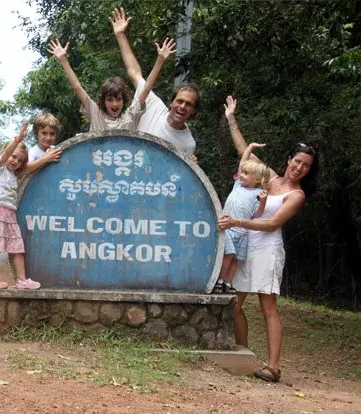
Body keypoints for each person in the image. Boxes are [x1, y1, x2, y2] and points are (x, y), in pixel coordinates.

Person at [217, 96, 319, 383]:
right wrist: (231, 119)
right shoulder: (269, 179)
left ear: (309, 170)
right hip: (246, 247)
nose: (300, 168)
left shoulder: (296, 195)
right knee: (234, 304)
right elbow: (245, 154)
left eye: (306, 166)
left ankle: (274, 367)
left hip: (267, 250)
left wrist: (236, 222)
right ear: (289, 160)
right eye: (297, 161)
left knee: (267, 307)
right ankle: (244, 354)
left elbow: (272, 223)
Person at [110, 7, 199, 160]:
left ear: (194, 111)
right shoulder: (153, 106)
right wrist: (120, 35)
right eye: (180, 101)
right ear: (171, 102)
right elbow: (134, 73)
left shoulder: (188, 144)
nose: (182, 106)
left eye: (189, 104)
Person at [48, 37, 170, 132]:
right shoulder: (96, 114)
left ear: (123, 100)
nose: (114, 104)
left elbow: (147, 88)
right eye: (110, 99)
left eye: (118, 99)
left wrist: (160, 60)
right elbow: (77, 87)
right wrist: (63, 60)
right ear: (104, 101)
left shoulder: (131, 116)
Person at [0, 121, 41, 290]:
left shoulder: (14, 175)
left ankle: (21, 280)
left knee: (17, 247)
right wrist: (19, 138)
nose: (15, 161)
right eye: (14, 157)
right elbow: (6, 153)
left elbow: (30, 168)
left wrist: (46, 158)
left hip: (10, 214)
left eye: (19, 160)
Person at [213, 143, 270, 294]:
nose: (241, 175)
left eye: (246, 173)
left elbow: (256, 215)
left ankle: (228, 283)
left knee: (235, 260)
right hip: (228, 228)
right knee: (228, 255)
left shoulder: (259, 193)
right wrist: (249, 148)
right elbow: (241, 164)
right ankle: (219, 280)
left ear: (256, 179)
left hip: (242, 232)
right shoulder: (238, 185)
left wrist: (263, 202)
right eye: (242, 172)